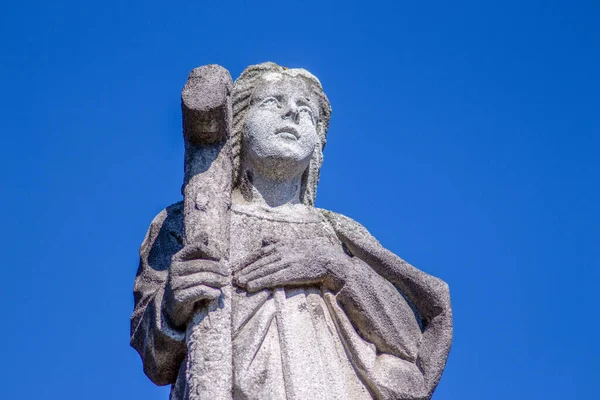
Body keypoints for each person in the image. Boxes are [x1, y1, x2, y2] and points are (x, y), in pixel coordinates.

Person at [131, 63, 452, 400]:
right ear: (239, 123)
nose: (292, 113)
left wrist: (337, 270)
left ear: (318, 142)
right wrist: (170, 306)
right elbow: (154, 358)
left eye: (307, 111)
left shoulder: (338, 235)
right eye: (272, 102)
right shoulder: (190, 220)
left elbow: (409, 344)